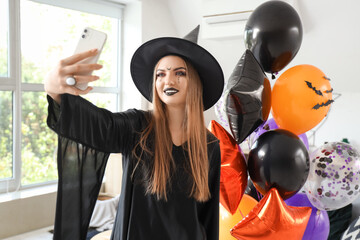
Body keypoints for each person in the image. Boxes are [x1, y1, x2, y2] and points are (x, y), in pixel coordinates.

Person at [44, 26, 224, 240]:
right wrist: (54, 89)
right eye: (161, 74)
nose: (168, 81)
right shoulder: (137, 127)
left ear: (195, 83)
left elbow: (208, 218)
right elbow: (100, 125)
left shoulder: (209, 145)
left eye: (180, 73)